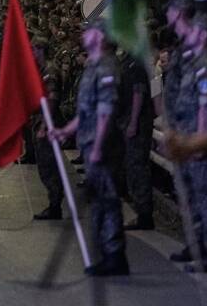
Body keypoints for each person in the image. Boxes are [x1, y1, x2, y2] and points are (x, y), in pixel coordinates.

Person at [49, 23, 127, 276]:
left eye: (90, 31)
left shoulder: (106, 66)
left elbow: (105, 112)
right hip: (90, 140)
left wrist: (98, 146)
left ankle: (115, 255)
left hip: (102, 144)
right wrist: (65, 131)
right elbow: (86, 112)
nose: (85, 34)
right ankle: (105, 253)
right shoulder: (93, 66)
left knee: (107, 199)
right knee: (99, 200)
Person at [170, 13, 207, 271]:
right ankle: (201, 246)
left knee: (205, 197)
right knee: (195, 195)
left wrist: (197, 143)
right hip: (190, 138)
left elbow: (206, 105)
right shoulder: (196, 62)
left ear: (202, 35)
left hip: (199, 140)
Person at [120, 51, 155, 230]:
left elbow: (138, 93)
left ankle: (145, 214)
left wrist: (133, 122)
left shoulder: (137, 62)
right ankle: (141, 211)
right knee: (133, 167)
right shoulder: (128, 60)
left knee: (138, 167)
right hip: (130, 120)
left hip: (139, 123)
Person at [32, 33, 63, 220]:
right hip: (42, 121)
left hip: (49, 124)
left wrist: (44, 125)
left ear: (41, 50)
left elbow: (52, 100)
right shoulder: (42, 69)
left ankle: (55, 205)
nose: (32, 52)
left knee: (49, 166)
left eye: (34, 49)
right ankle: (55, 202)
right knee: (46, 166)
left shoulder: (49, 71)